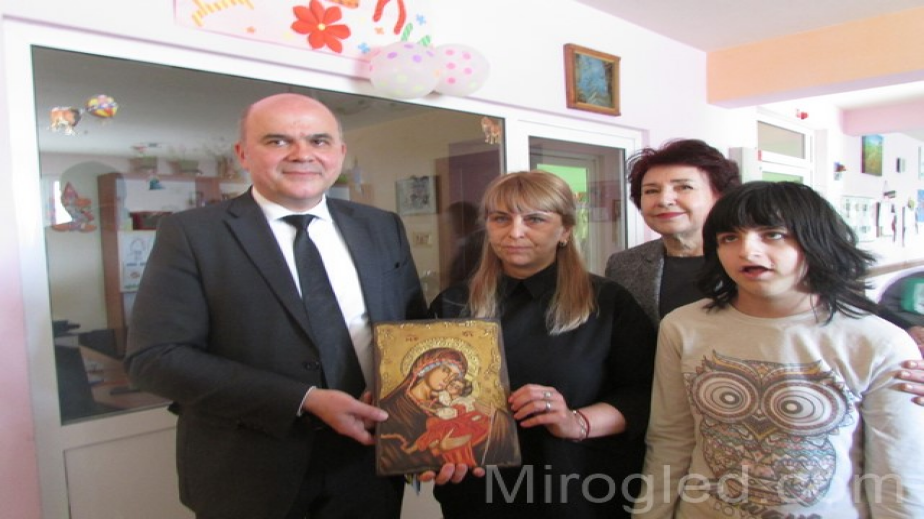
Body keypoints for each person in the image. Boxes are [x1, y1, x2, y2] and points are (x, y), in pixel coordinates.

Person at [124, 93, 427, 519]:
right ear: (243, 154)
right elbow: (155, 359)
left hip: (369, 462)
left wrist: (432, 426)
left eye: (319, 141)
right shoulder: (192, 234)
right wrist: (305, 399)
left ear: (340, 152)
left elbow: (415, 333)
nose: (302, 154)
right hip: (248, 471)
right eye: (278, 141)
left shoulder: (381, 226)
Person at [632, 181, 924, 518]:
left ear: (815, 240)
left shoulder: (877, 341)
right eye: (729, 238)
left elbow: (899, 473)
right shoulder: (683, 326)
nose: (747, 251)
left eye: (772, 234)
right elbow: (671, 440)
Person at [605, 138, 924, 404]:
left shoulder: (778, 266)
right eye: (651, 191)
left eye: (683, 187)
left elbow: (854, 329)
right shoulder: (624, 265)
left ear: (720, 195)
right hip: (653, 411)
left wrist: (907, 364)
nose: (664, 200)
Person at [426, 171, 657, 518]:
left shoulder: (608, 303)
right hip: (478, 490)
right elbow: (425, 399)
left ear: (565, 230)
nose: (515, 232)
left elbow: (644, 394)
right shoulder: (452, 303)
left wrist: (576, 421)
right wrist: (432, 450)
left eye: (535, 219)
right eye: (500, 218)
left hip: (577, 485)